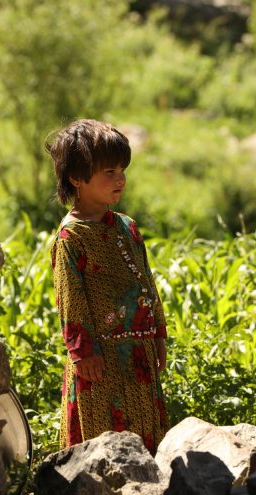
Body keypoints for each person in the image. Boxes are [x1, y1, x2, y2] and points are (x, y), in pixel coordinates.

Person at [47, 119, 170, 454]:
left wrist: (158, 332)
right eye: (108, 172)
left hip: (139, 354)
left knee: (147, 442)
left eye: (122, 171)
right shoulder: (71, 237)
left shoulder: (127, 227)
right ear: (76, 178)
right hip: (99, 363)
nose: (120, 180)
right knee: (104, 445)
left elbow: (146, 281)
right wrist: (83, 352)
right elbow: (71, 300)